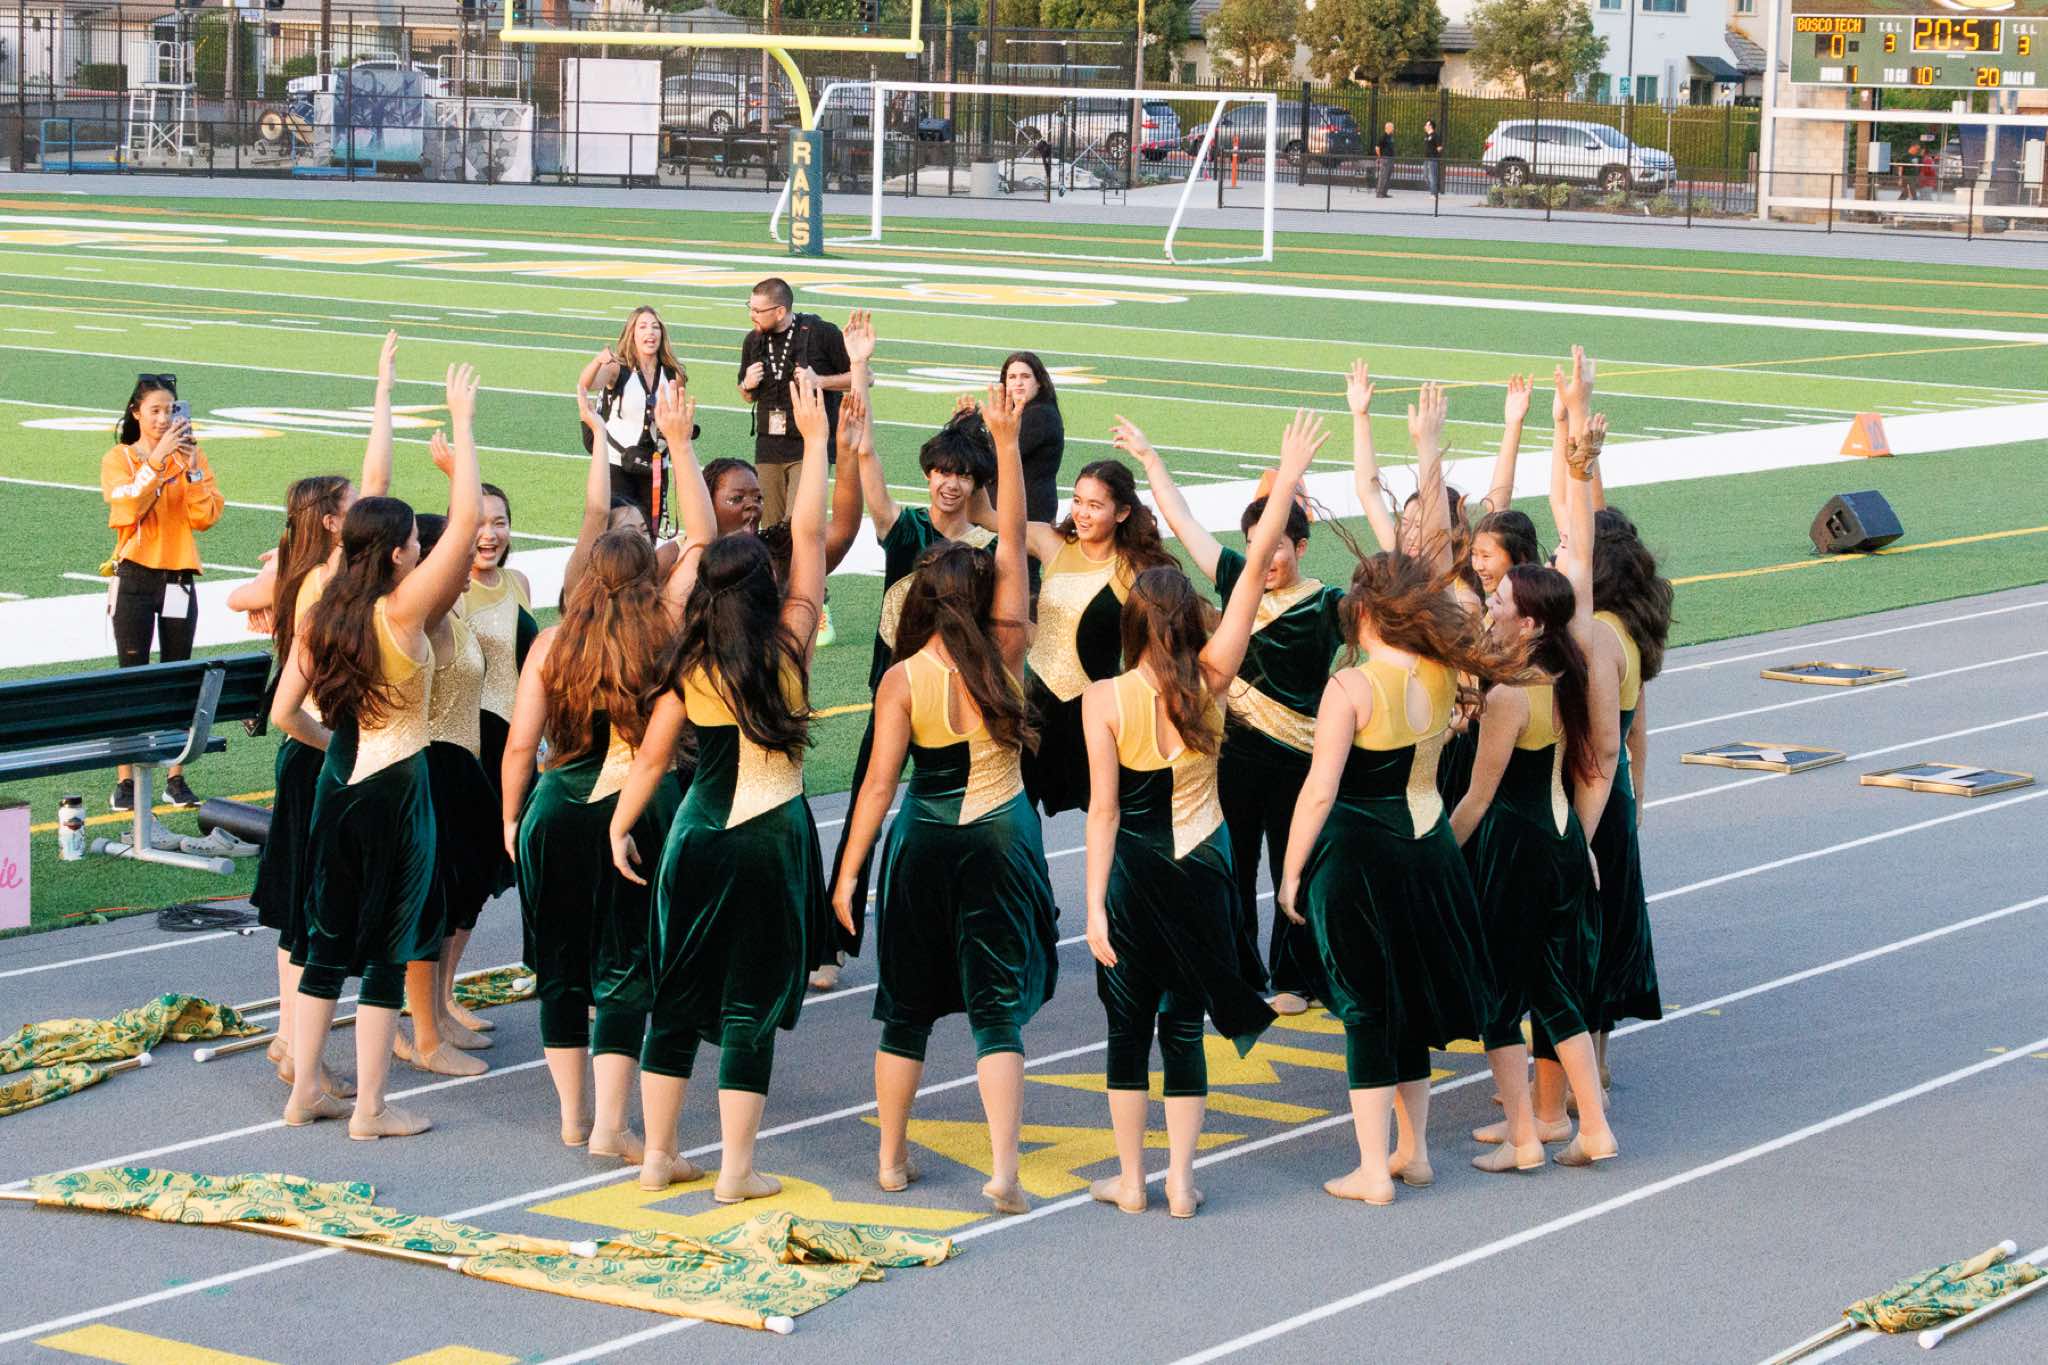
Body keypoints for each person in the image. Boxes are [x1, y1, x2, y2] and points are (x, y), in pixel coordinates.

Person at [1079, 414, 1322, 1220]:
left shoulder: (1103, 700)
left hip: (1136, 871)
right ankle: (1182, 1180)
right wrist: (1284, 480)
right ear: (1190, 619)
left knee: (1128, 1029)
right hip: (1206, 865)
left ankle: (1132, 1180)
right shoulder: (1213, 677)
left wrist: (1092, 908)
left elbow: (1103, 812)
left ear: (1129, 623)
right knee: (1183, 1026)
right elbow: (1250, 580)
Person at [1276, 383, 1510, 1206]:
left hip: (1362, 854)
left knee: (1367, 1007)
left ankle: (1374, 1166)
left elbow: (1318, 791)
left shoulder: (1351, 685)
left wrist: (1291, 873)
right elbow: (1440, 564)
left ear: (1366, 608)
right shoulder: (1444, 670)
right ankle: (1412, 1151)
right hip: (1429, 844)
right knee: (1409, 997)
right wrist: (1429, 452)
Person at [828, 383, 1055, 1217]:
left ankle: (891, 1158)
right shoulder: (1008, 648)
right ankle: (1004, 1168)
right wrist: (1006, 447)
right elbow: (1014, 538)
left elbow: (877, 786)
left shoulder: (901, 678)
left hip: (922, 841)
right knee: (998, 1013)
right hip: (1001, 836)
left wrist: (847, 875)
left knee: (907, 1010)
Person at [607, 373, 833, 1199]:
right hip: (770, 841)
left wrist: (619, 827)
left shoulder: (688, 658)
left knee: (675, 995)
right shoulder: (791, 645)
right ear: (770, 591)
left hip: (696, 835)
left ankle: (659, 1155)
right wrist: (816, 444)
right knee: (749, 1007)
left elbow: (650, 759)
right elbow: (809, 533)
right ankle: (735, 1169)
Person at [268, 362, 483, 1141]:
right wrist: (464, 427)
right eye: (415, 541)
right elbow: (466, 527)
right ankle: (370, 1107)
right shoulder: (399, 612)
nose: (423, 547)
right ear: (394, 553)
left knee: (326, 940)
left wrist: (332, 744)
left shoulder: (321, 611)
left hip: (339, 779)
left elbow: (284, 711)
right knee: (390, 949)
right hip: (398, 786)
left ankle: (306, 1091)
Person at [1115, 415, 1346, 1018]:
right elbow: (1184, 521)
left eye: (1275, 549)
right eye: (1254, 547)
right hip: (1234, 752)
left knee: (1296, 863)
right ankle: (1241, 971)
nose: (1263, 560)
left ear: (1300, 547)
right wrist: (1151, 459)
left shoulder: (1328, 603)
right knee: (1235, 865)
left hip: (1300, 759)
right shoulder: (1235, 580)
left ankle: (1297, 974)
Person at [243, 331, 397, 1100]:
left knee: (297, 904)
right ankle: (301, 1053)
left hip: (299, 753)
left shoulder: (293, 573)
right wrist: (383, 392)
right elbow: (379, 483)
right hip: (314, 750)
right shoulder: (325, 578)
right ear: (335, 523)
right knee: (312, 907)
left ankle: (288, 1037)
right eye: (348, 507)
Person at [823, 319, 996, 988]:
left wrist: (994, 442)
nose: (949, 483)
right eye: (941, 471)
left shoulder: (989, 549)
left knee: (970, 816)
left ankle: (988, 925)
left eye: (962, 474)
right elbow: (865, 453)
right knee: (868, 802)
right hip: (896, 696)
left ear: (975, 484)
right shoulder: (905, 529)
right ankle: (833, 940)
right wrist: (859, 368)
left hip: (964, 705)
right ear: (928, 474)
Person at [1450, 561, 1615, 1172]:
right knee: (1552, 989)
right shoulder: (1564, 680)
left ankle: (1523, 1138)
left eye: (1498, 601)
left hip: (1516, 854)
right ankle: (1590, 1124)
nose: (1489, 607)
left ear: (1529, 623)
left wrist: (1439, 857)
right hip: (1562, 840)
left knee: (1496, 992)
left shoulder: (1510, 697)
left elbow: (1477, 798)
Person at [392, 505, 496, 1080]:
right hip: (433, 766)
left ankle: (436, 1015)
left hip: (461, 766)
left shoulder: (451, 611)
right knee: (429, 906)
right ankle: (425, 1037)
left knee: (458, 898)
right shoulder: (424, 613)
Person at [1018, 460, 1178, 816]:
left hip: (1094, 712)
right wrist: (999, 446)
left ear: (1122, 513)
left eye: (1094, 505)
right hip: (1035, 708)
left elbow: (1184, 613)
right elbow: (989, 517)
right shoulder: (1053, 543)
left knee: (1107, 813)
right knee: (1019, 814)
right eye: (1077, 501)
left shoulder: (1133, 567)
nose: (1081, 513)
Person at [100, 372, 223, 812]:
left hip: (178, 578)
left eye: (170, 410)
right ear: (136, 413)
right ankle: (126, 781)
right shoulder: (119, 458)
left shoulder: (192, 457)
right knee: (131, 678)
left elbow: (206, 516)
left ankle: (175, 776)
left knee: (177, 676)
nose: (163, 418)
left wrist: (191, 469)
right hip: (134, 577)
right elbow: (127, 504)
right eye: (154, 410)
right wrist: (156, 462)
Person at [444, 478, 533, 1039]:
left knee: (480, 880)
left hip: (514, 747)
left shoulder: (519, 583)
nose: (490, 534)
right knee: (458, 876)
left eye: (499, 521)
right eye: (477, 523)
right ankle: (429, 1003)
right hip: (468, 745)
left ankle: (442, 994)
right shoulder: (452, 591)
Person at [737, 277, 851, 529]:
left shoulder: (822, 333)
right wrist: (746, 384)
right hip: (767, 445)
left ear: (780, 312)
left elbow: (863, 377)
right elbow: (746, 396)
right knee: (768, 527)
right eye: (750, 308)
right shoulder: (753, 340)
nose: (751, 315)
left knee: (797, 525)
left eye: (757, 310)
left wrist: (819, 381)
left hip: (808, 445)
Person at [577, 306, 686, 529]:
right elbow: (587, 384)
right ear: (632, 334)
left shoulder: (672, 373)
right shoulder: (619, 369)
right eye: (643, 327)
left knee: (649, 531)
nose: (650, 332)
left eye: (655, 327)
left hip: (655, 466)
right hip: (618, 464)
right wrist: (598, 361)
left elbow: (678, 417)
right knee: (618, 530)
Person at [1422, 118, 1445, 197]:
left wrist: (1435, 155)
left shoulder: (1435, 136)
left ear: (1431, 126)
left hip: (1432, 159)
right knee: (1425, 176)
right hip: (1426, 159)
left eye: (1426, 125)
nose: (1425, 126)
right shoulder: (1426, 136)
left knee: (1432, 176)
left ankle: (1434, 194)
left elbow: (1440, 148)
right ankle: (1433, 190)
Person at [1374, 121, 1396, 198]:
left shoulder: (1390, 137)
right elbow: (1377, 148)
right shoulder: (1383, 137)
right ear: (1388, 128)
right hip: (1385, 159)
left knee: (1388, 176)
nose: (1393, 128)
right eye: (1392, 127)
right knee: (1383, 176)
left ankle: (1384, 193)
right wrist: (1380, 157)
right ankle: (1379, 193)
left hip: (1391, 159)